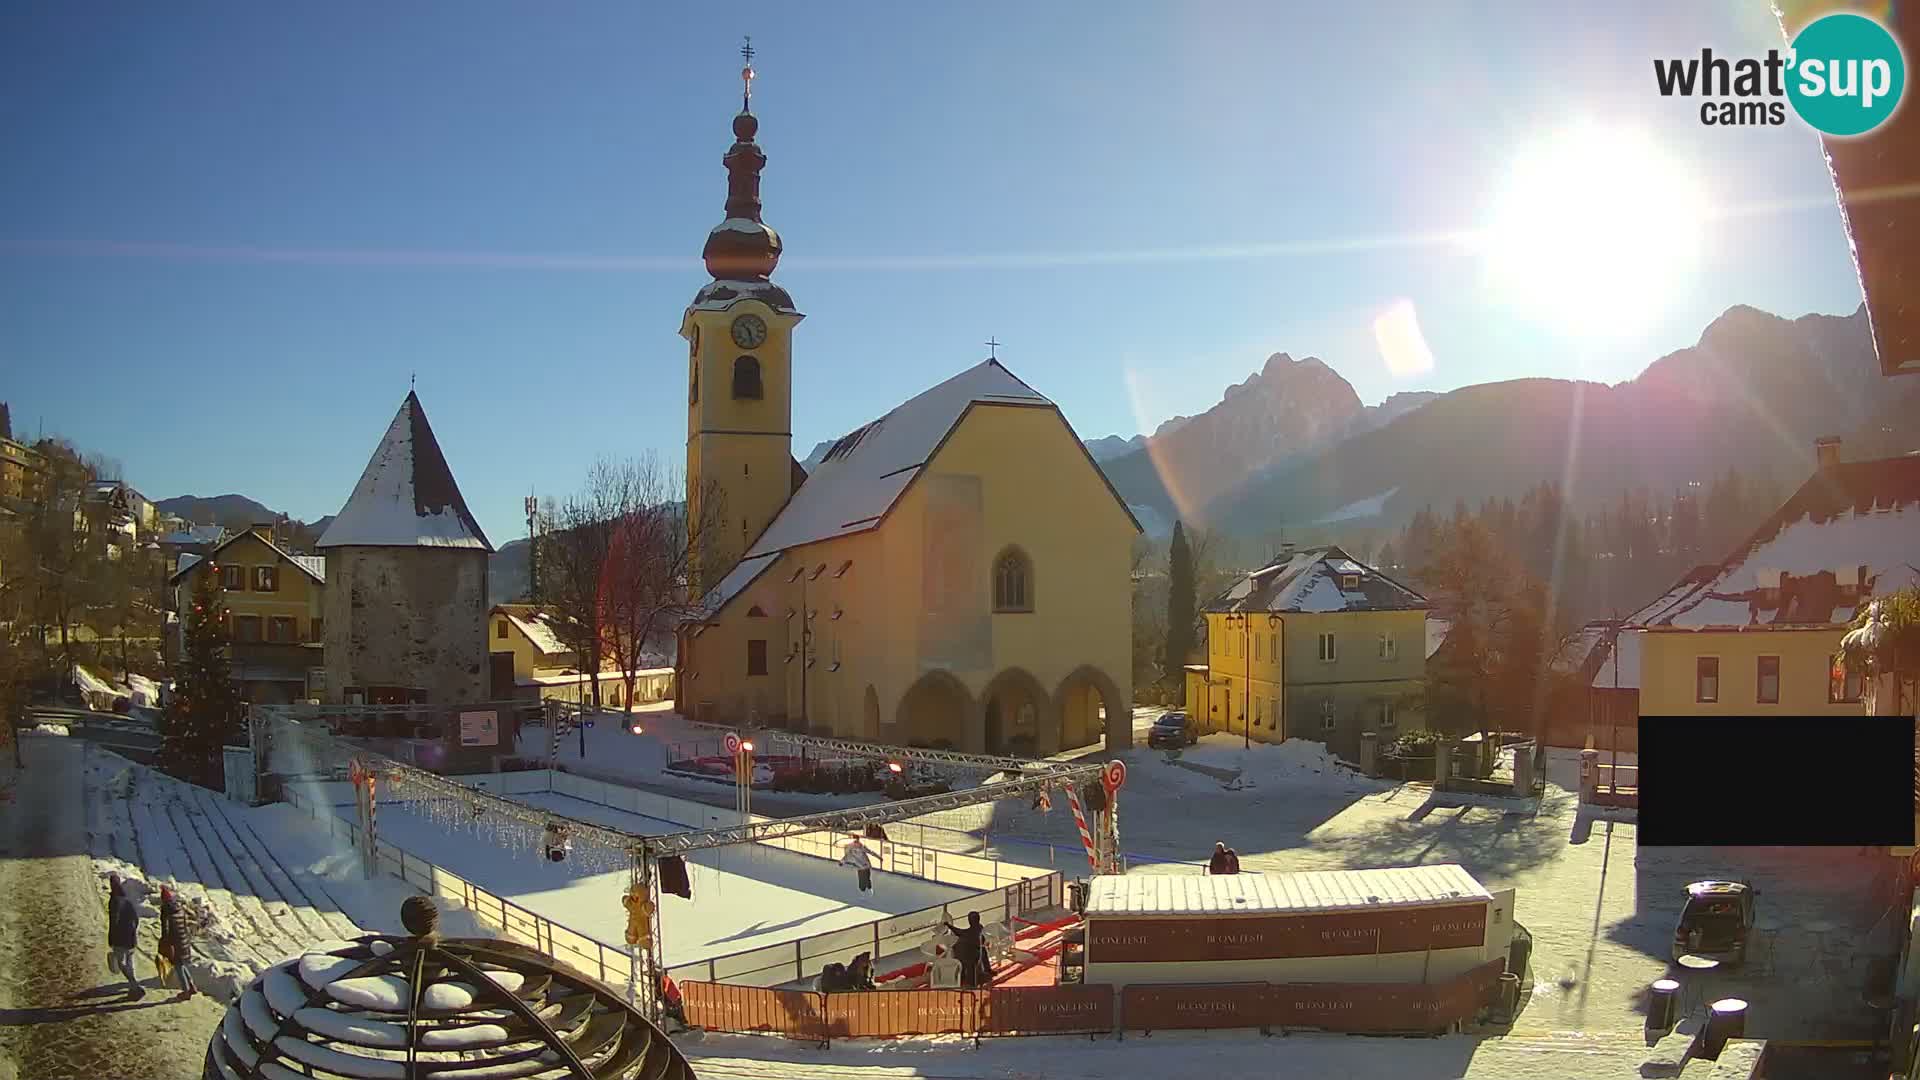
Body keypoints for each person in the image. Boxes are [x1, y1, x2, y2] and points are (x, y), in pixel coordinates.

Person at [157, 886, 197, 999]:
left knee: (178, 967)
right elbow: (184, 926)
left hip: (174, 944)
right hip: (184, 941)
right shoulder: (180, 909)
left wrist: (164, 943)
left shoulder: (166, 911)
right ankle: (192, 986)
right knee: (182, 965)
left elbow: (165, 930)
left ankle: (186, 992)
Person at [106, 873, 143, 997]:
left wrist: (111, 938)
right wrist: (133, 930)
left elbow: (113, 921)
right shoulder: (127, 899)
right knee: (130, 962)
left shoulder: (114, 901)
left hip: (119, 938)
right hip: (131, 937)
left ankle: (134, 985)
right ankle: (133, 988)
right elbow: (136, 918)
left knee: (121, 963)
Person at [945, 911, 990, 988]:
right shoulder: (979, 928)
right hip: (974, 953)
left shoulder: (970, 932)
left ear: (969, 921)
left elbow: (959, 932)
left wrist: (949, 926)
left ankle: (970, 983)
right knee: (982, 952)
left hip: (968, 956)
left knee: (969, 960)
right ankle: (987, 970)